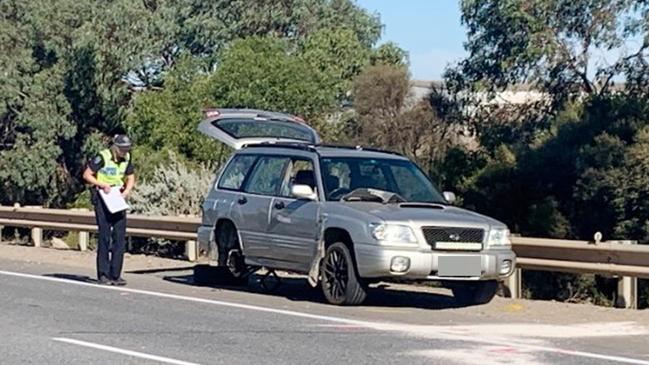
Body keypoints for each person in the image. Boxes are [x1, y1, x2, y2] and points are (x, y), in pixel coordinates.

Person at [83, 134, 135, 286]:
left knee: (119, 237)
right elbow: (87, 174)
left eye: (127, 149)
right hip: (103, 196)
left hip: (117, 197)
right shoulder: (103, 157)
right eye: (122, 149)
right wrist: (101, 184)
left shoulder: (126, 158)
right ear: (115, 147)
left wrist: (126, 192)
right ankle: (103, 274)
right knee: (105, 236)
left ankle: (116, 274)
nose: (125, 152)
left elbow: (131, 177)